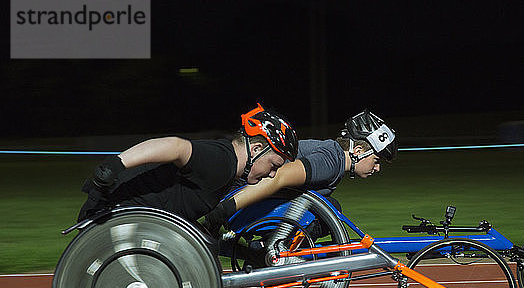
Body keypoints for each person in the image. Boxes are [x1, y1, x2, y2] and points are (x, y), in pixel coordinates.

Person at [78, 103, 298, 223]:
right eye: (274, 165)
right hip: (114, 214)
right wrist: (115, 164)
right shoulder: (221, 161)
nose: (272, 174)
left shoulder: (230, 171)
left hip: (142, 221)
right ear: (257, 149)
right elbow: (175, 147)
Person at [204, 109, 397, 233]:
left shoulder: (333, 157)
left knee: (329, 207)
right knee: (331, 209)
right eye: (376, 160)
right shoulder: (330, 161)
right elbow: (279, 177)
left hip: (243, 200)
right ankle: (279, 253)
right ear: (358, 151)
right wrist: (226, 208)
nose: (377, 168)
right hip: (238, 202)